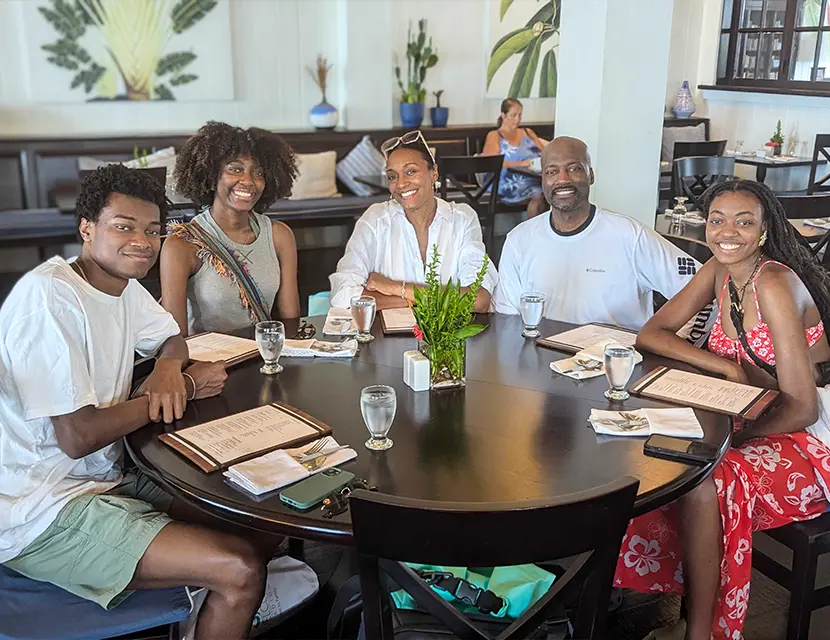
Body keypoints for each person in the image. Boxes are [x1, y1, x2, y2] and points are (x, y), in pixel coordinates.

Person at [0, 165, 268, 640]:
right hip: (38, 510)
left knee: (258, 514)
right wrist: (180, 389)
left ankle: (201, 616)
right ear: (87, 229)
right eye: (123, 226)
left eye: (152, 230)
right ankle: (216, 599)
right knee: (241, 568)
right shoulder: (50, 297)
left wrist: (168, 368)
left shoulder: (121, 288)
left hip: (105, 481)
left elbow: (170, 338)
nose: (143, 242)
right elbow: (78, 436)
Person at [619, 180, 830, 640]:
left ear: (764, 230)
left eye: (744, 221)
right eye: (717, 220)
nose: (727, 231)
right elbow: (653, 333)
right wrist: (725, 369)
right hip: (749, 412)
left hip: (808, 441)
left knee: (706, 477)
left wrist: (732, 440)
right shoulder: (719, 269)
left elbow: (803, 407)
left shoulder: (773, 283)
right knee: (656, 451)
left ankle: (699, 631)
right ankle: (654, 598)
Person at [492, 136, 711, 343]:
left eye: (574, 168)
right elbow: (507, 320)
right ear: (543, 181)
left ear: (591, 175)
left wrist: (674, 348)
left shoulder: (631, 236)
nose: (562, 179)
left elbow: (707, 293)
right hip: (540, 365)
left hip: (617, 369)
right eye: (552, 171)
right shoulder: (519, 240)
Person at [329, 130, 497, 312]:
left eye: (410, 171)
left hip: (450, 339)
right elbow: (342, 295)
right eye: (393, 176)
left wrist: (395, 288)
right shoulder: (376, 219)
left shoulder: (462, 219)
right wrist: (417, 299)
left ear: (434, 173)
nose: (401, 184)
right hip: (389, 338)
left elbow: (478, 299)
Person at [161, 121, 300, 336]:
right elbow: (176, 338)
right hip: (210, 362)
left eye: (259, 173)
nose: (248, 181)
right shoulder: (182, 245)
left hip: (264, 356)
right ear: (211, 175)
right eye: (235, 169)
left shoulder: (280, 236)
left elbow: (290, 321)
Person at [482, 98, 548, 207]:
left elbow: (545, 153)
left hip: (534, 179)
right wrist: (521, 164)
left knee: (550, 193)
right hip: (507, 183)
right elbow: (491, 162)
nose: (517, 120)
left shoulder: (528, 132)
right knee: (539, 197)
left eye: (520, 115)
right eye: (513, 115)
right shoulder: (495, 135)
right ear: (503, 115)